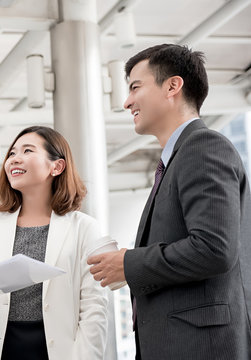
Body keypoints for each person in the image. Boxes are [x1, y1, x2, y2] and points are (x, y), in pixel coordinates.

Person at [88, 44, 251, 359]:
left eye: (135, 87)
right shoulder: (176, 160)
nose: (126, 101)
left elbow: (214, 249)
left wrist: (129, 263)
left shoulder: (204, 147)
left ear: (173, 86)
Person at [0, 126, 109, 360]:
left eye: (27, 151)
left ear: (56, 166)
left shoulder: (84, 228)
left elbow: (93, 308)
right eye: (11, 153)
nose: (14, 159)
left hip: (58, 351)